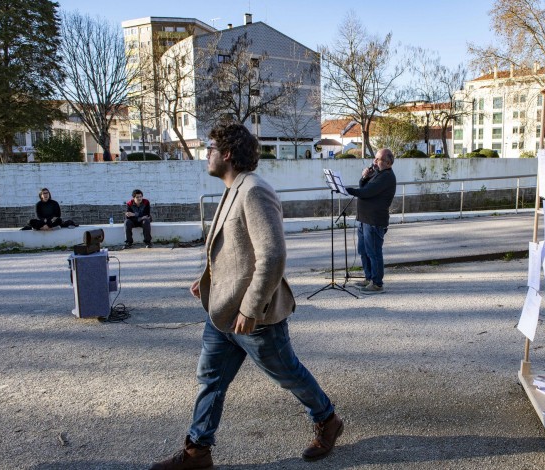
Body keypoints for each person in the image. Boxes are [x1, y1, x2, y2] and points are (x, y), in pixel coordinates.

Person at [149, 123, 343, 470]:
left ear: (226, 154)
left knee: (288, 374)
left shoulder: (253, 190)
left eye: (210, 148)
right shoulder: (232, 188)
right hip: (222, 312)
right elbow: (238, 249)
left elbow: (272, 255)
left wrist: (251, 307)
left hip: (253, 318)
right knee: (210, 379)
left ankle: (328, 419)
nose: (205, 154)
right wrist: (206, 278)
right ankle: (198, 450)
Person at [345, 148, 397, 294]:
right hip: (364, 219)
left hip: (374, 221)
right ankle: (369, 278)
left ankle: (377, 284)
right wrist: (364, 177)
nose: (374, 161)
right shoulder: (377, 173)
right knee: (363, 251)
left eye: (378, 159)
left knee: (374, 252)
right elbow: (363, 187)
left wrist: (346, 189)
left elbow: (365, 193)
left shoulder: (386, 177)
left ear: (387, 162)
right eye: (375, 158)